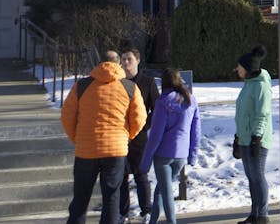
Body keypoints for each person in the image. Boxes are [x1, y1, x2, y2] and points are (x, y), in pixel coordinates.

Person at [61, 50, 147, 224]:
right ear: (119, 64)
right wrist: (126, 137)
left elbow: (67, 116)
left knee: (80, 199)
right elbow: (140, 118)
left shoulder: (82, 86)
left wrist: (77, 139)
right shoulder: (130, 87)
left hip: (86, 150)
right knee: (112, 198)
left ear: (100, 63)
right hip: (115, 150)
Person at [139, 68, 200, 224]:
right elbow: (196, 130)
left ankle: (172, 221)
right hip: (181, 155)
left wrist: (145, 162)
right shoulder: (190, 100)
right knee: (161, 189)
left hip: (163, 156)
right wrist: (193, 154)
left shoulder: (162, 102)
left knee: (166, 193)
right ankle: (152, 221)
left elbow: (155, 135)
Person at [119, 47, 160, 223]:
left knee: (140, 173)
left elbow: (156, 107)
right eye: (123, 59)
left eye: (129, 59)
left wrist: (144, 125)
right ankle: (122, 212)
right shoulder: (117, 81)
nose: (125, 62)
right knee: (121, 175)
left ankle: (146, 210)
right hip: (120, 134)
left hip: (139, 135)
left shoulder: (147, 82)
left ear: (137, 60)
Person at [234, 44, 272, 224]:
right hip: (245, 139)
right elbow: (243, 114)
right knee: (251, 178)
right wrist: (238, 137)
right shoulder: (248, 85)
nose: (236, 69)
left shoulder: (261, 87)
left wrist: (256, 138)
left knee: (258, 176)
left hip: (257, 140)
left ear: (248, 68)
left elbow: (261, 114)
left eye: (239, 66)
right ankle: (254, 214)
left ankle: (263, 215)